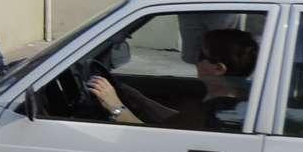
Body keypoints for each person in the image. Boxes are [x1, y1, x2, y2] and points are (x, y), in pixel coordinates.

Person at [89, 28, 258, 130]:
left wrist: (115, 107)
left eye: (200, 54)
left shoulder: (215, 113)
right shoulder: (233, 99)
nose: (195, 60)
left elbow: (154, 140)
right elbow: (175, 121)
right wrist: (139, 99)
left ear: (218, 69)